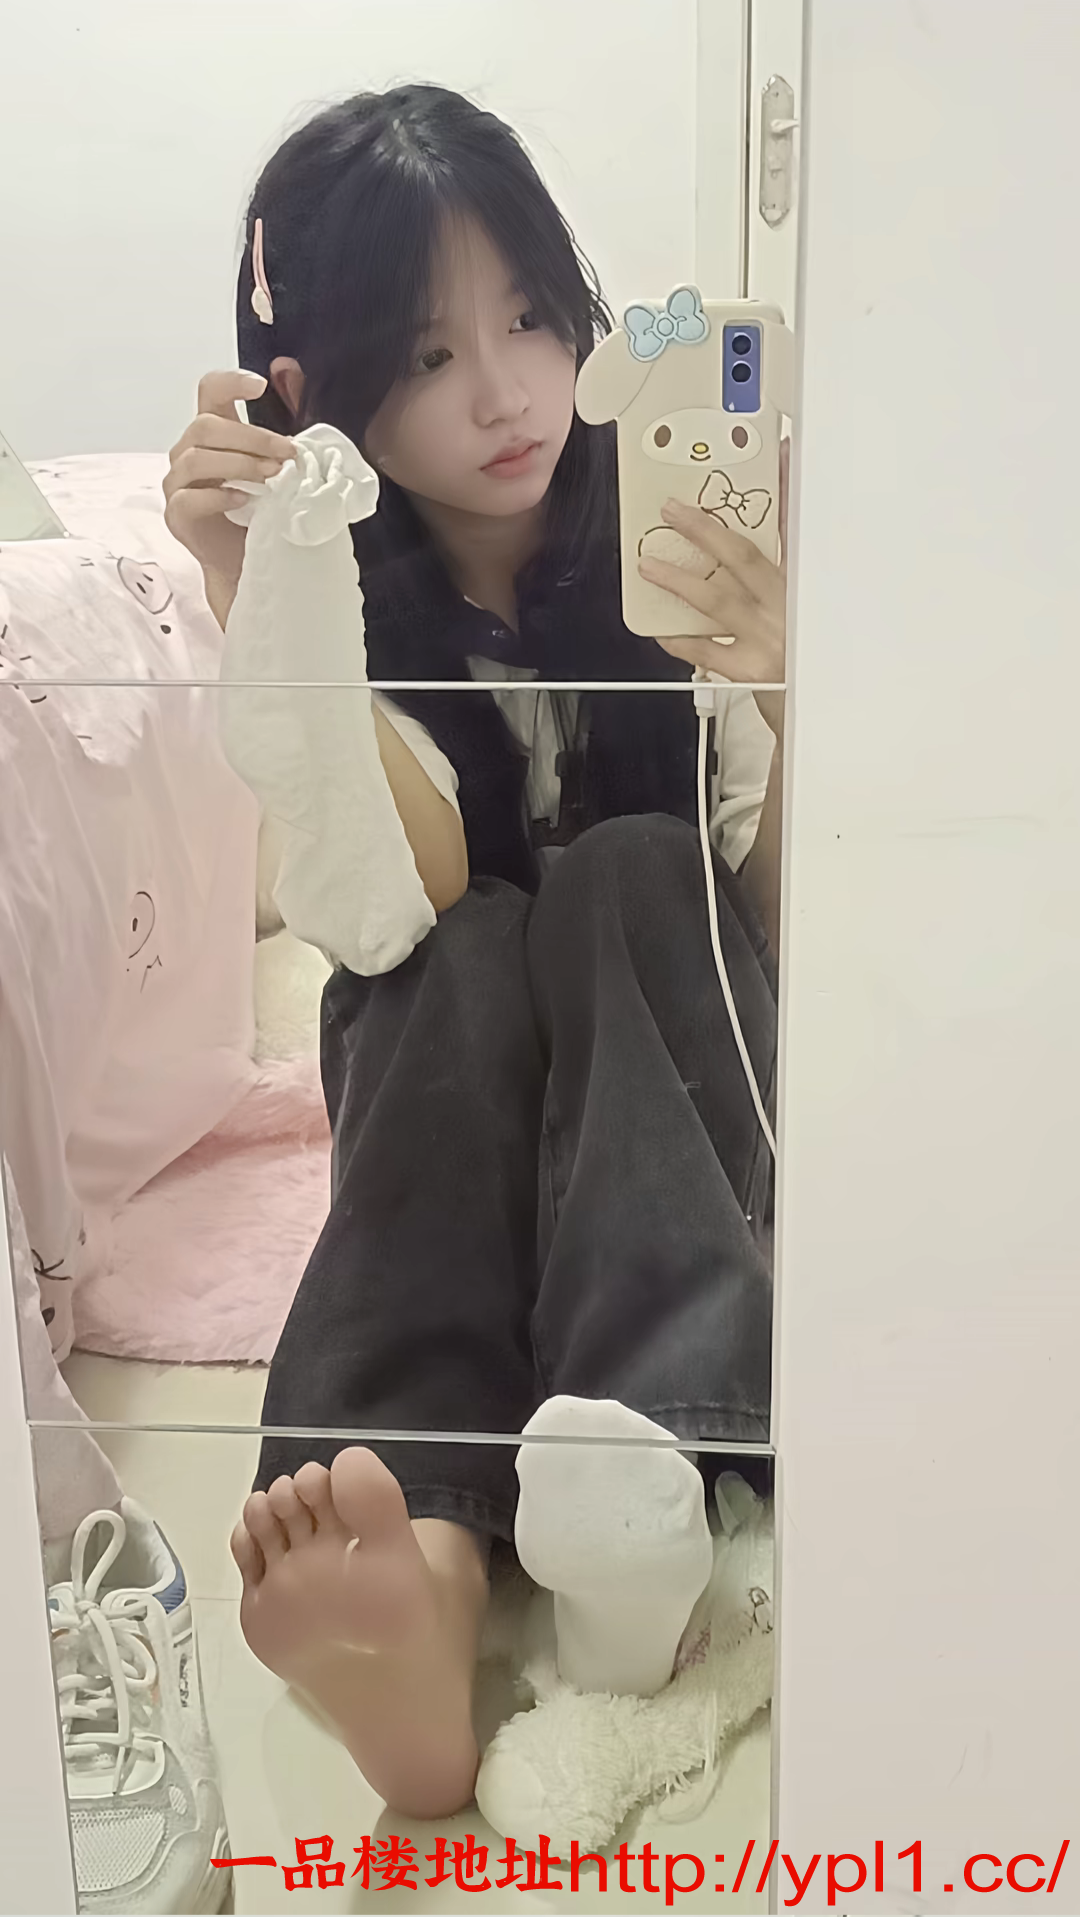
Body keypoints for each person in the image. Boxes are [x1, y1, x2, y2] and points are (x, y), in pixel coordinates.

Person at [163, 84, 787, 1818]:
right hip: (462, 1107)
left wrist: (783, 679)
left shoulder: (684, 528)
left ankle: (645, 1470)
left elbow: (783, 923)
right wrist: (258, 589)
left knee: (635, 868)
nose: (509, 393)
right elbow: (399, 888)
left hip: (681, 1092)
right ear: (325, 389)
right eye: (432, 355)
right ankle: (426, 1577)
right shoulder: (344, 588)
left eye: (529, 318)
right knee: (443, 955)